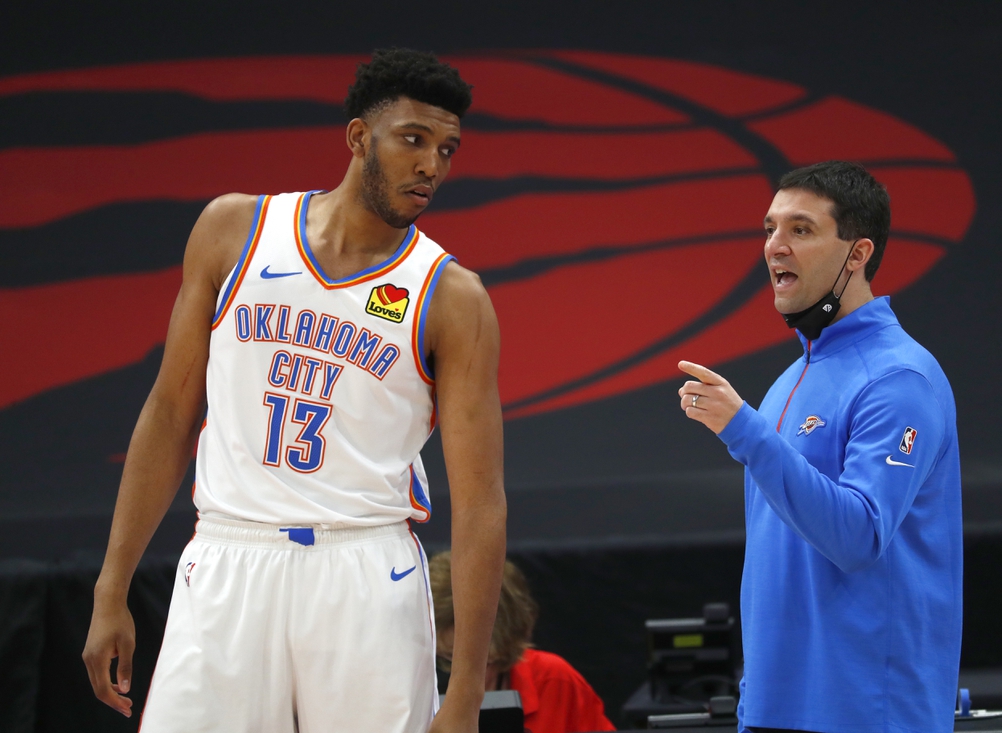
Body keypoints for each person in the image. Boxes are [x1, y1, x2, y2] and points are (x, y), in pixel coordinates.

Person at [81, 48, 506, 733]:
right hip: (228, 551)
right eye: (414, 139)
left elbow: (483, 502)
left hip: (364, 566)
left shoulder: (452, 297)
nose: (433, 164)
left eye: (448, 148)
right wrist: (112, 585)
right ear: (359, 138)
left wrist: (464, 696)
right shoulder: (234, 231)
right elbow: (168, 413)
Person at [677, 161, 962, 733]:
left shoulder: (900, 379)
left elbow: (858, 537)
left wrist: (746, 431)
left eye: (800, 230)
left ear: (857, 255)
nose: (774, 247)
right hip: (772, 711)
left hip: (868, 716)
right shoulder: (793, 378)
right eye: (769, 229)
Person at [429, 551, 616, 733]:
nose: (460, 674)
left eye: (481, 660)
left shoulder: (553, 679)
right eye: (446, 659)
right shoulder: (407, 687)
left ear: (506, 649)